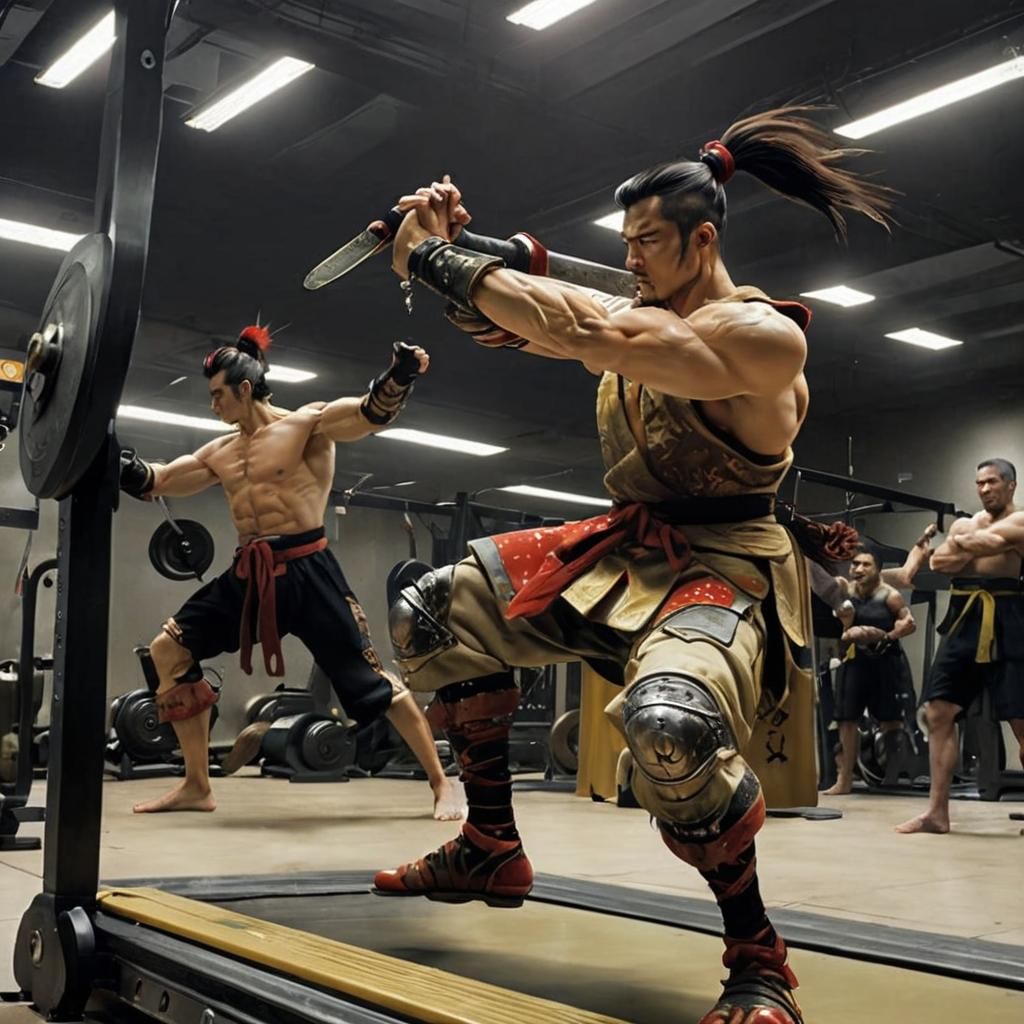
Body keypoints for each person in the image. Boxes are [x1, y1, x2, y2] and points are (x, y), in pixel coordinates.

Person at [374, 107, 892, 1024]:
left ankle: (757, 958)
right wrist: (456, 245)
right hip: (627, 546)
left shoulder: (762, 338)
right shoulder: (643, 313)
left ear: (702, 239)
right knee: (432, 610)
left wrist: (432, 257)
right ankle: (489, 841)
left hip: (725, 564)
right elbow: (540, 322)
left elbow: (592, 336)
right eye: (626, 244)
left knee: (672, 728)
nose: (631, 261)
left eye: (648, 243)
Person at [119, 326, 462, 820]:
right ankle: (196, 785)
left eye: (218, 395)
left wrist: (399, 376)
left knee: (374, 683)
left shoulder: (306, 425)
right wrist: (121, 464)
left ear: (243, 389)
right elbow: (161, 480)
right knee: (168, 651)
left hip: (310, 571)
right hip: (250, 573)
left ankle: (441, 781)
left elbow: (368, 413)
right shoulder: (220, 451)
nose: (212, 405)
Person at [897, 459, 1024, 834]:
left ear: (1011, 485)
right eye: (979, 483)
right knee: (938, 712)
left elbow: (977, 547)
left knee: (1022, 723)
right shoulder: (967, 524)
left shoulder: (1020, 520)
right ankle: (937, 813)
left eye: (992, 482)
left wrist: (964, 547)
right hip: (964, 617)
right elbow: (940, 560)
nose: (984, 489)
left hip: (1010, 616)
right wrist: (980, 546)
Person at [821, 546, 917, 796]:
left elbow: (909, 624)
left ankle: (892, 776)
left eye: (866, 564)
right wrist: (845, 623)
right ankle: (844, 781)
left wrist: (887, 635)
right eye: (855, 564)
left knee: (891, 720)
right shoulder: (844, 593)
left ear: (878, 570)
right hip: (854, 662)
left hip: (885, 662)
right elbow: (836, 627)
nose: (858, 569)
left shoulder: (890, 595)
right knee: (846, 719)